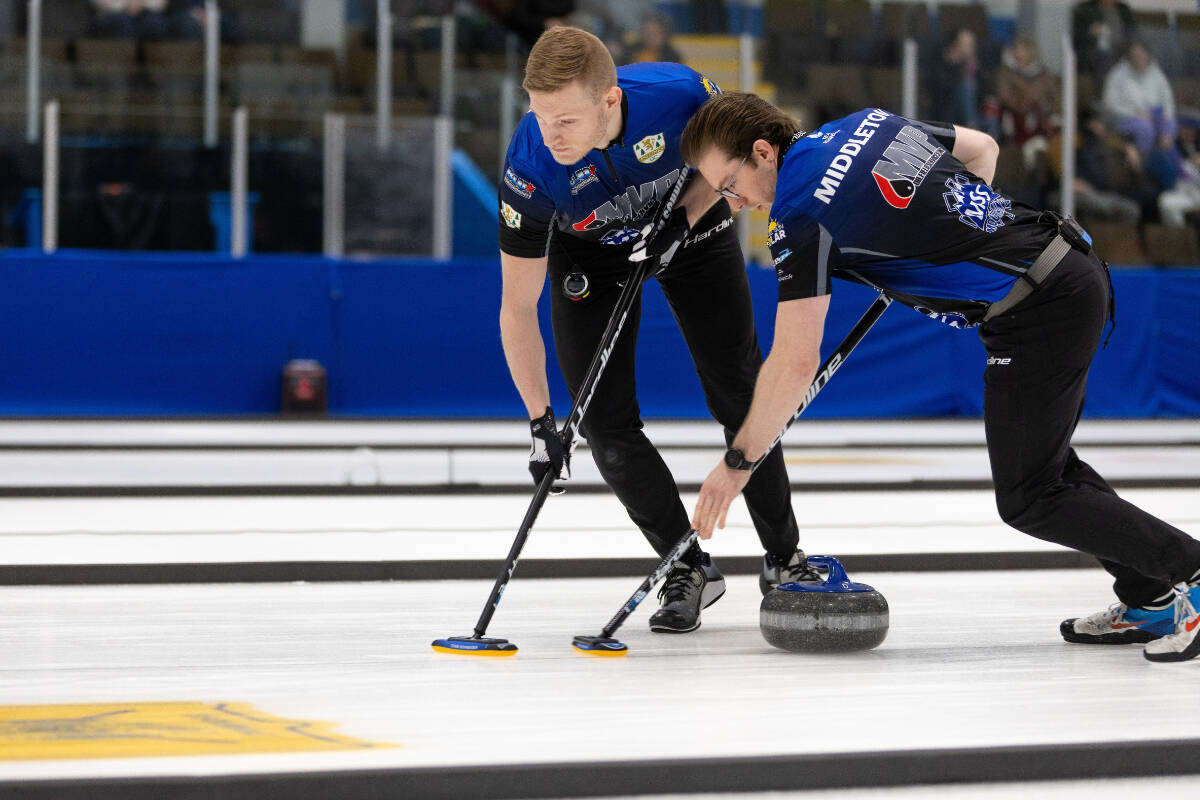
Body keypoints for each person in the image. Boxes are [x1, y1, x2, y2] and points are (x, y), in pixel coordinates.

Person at [679, 91, 1200, 662]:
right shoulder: (864, 123)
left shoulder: (798, 213)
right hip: (1059, 271)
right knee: (1048, 469)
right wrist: (928, 238)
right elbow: (981, 150)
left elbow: (794, 361)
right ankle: (1151, 596)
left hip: (1042, 304)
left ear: (761, 152)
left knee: (1030, 495)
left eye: (730, 184)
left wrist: (739, 462)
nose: (733, 203)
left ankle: (1188, 571)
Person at [498, 28, 817, 634]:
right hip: (589, 254)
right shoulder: (531, 167)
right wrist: (540, 423)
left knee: (742, 391)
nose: (551, 135)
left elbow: (723, 162)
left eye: (566, 119)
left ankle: (785, 559)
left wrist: (682, 220)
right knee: (602, 420)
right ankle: (686, 564)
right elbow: (517, 307)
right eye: (539, 117)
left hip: (690, 228)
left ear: (610, 101)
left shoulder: (681, 95)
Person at [1072, 0, 1137, 83]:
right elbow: (1075, 35)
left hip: (1123, 50)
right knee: (1105, 57)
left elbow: (1134, 31)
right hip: (1094, 52)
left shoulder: (1123, 9)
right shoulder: (1085, 9)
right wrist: (1090, 31)